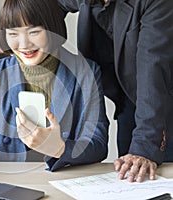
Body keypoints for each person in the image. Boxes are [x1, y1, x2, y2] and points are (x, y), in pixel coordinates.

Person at [0, 0, 109, 172]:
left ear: (52, 29)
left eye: (34, 32)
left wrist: (59, 148)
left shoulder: (85, 72)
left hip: (62, 180)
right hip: (7, 182)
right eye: (13, 34)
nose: (24, 44)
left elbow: (98, 144)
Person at [57, 0, 173, 181]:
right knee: (127, 177)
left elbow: (152, 70)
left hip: (162, 100)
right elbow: (45, 6)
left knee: (154, 176)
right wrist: (15, 37)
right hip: (126, 97)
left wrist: (145, 146)